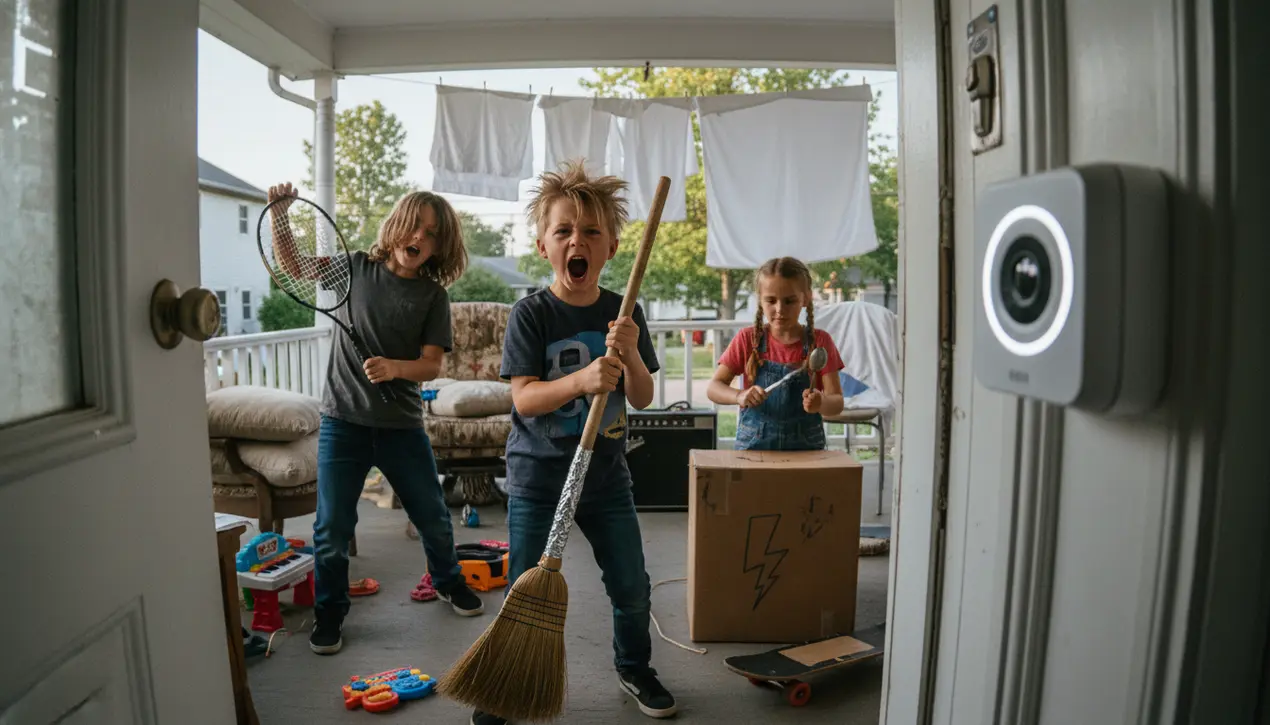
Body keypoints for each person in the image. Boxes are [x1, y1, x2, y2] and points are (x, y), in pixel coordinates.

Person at [478, 160, 675, 725]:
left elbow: (642, 397)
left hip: (606, 478)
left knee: (632, 586)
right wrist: (582, 380)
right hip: (538, 479)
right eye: (563, 230)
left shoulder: (624, 311)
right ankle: (509, 684)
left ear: (611, 247)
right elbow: (524, 399)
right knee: (523, 591)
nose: (577, 241)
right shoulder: (531, 314)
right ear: (544, 245)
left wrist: (630, 352)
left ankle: (635, 667)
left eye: (591, 231)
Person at [264, 182, 486, 657]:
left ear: (439, 247)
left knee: (432, 516)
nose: (420, 237)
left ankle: (447, 581)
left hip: (401, 427)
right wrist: (281, 216)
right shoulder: (354, 268)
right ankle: (329, 612)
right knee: (331, 529)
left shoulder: (432, 296)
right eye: (415, 225)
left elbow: (431, 365)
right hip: (342, 423)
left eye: (432, 233)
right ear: (397, 226)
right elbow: (295, 267)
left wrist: (394, 369)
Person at [707, 257, 847, 450]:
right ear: (760, 300)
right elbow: (714, 388)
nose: (780, 309)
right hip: (753, 448)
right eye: (771, 300)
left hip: (806, 450)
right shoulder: (748, 339)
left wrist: (821, 403)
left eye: (789, 301)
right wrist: (739, 395)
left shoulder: (820, 341)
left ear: (806, 298)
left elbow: (837, 403)